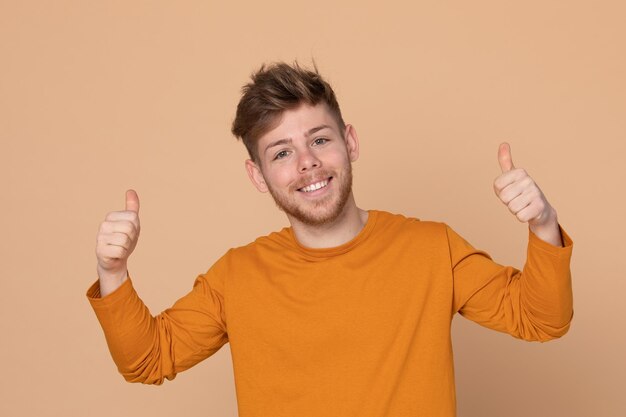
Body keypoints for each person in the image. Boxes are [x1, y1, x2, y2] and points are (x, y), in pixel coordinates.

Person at [87, 62, 573, 417]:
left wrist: (542, 224)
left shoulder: (432, 248)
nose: (307, 164)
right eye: (282, 153)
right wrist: (113, 272)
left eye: (319, 140)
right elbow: (147, 359)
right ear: (258, 176)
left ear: (350, 143)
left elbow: (543, 319)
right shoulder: (236, 276)